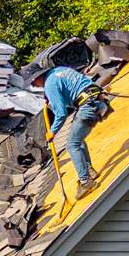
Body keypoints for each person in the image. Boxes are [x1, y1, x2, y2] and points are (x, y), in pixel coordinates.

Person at [31, 62, 112, 191]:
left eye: (33, 83)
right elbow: (75, 86)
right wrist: (52, 98)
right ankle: (89, 170)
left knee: (72, 145)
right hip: (97, 100)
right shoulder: (60, 70)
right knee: (78, 140)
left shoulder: (50, 85)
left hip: (88, 107)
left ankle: (85, 182)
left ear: (37, 78)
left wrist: (52, 132)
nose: (34, 85)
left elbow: (61, 114)